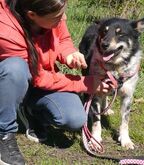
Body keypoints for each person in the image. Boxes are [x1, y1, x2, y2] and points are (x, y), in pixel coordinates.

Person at [0, 0, 112, 164]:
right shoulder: (5, 29)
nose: (63, 18)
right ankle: (4, 133)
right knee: (14, 69)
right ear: (32, 15)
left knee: (74, 118)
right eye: (57, 17)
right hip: (12, 80)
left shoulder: (53, 9)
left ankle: (31, 111)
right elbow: (39, 77)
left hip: (40, 78)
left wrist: (69, 54)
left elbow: (63, 38)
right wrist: (86, 83)